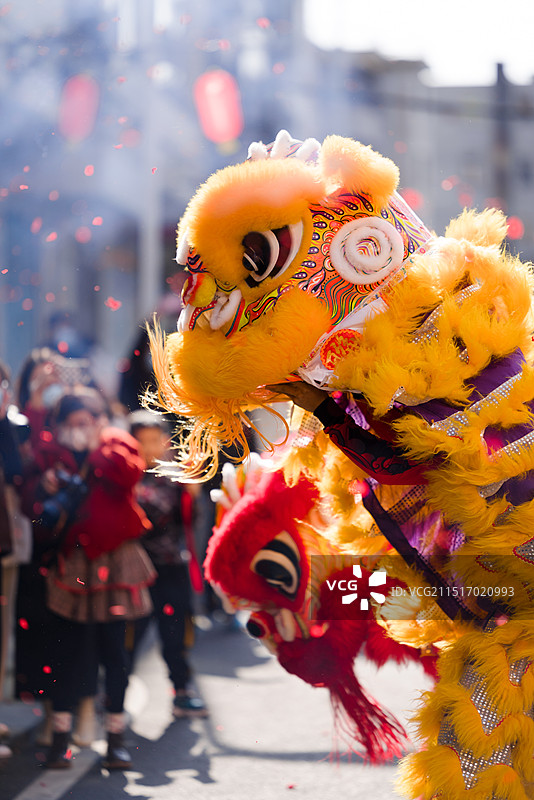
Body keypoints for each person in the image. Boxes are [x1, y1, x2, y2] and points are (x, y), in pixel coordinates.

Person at [20, 387, 155, 769]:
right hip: (74, 565)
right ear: (60, 426)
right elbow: (34, 511)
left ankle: (115, 739)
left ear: (99, 420)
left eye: (88, 421)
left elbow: (131, 474)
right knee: (67, 654)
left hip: (116, 563)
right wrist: (43, 489)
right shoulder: (51, 455)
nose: (80, 429)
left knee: (116, 654)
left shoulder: (116, 444)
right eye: (73, 423)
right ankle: (60, 739)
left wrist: (98, 445)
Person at [127, 410, 208, 719]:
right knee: (130, 635)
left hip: (171, 566)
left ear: (164, 441)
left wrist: (193, 494)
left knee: (174, 634)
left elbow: (191, 522)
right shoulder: (124, 473)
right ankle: (115, 695)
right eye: (141, 440)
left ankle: (182, 692)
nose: (148, 447)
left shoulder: (176, 475)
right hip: (136, 570)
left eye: (153, 440)